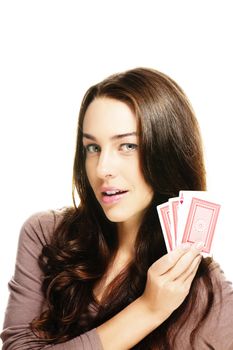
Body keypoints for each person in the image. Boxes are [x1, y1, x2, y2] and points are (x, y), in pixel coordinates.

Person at [1, 68, 233, 350]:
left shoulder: (205, 291)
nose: (103, 169)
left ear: (165, 151)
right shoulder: (45, 235)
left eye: (127, 145)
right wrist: (148, 310)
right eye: (92, 147)